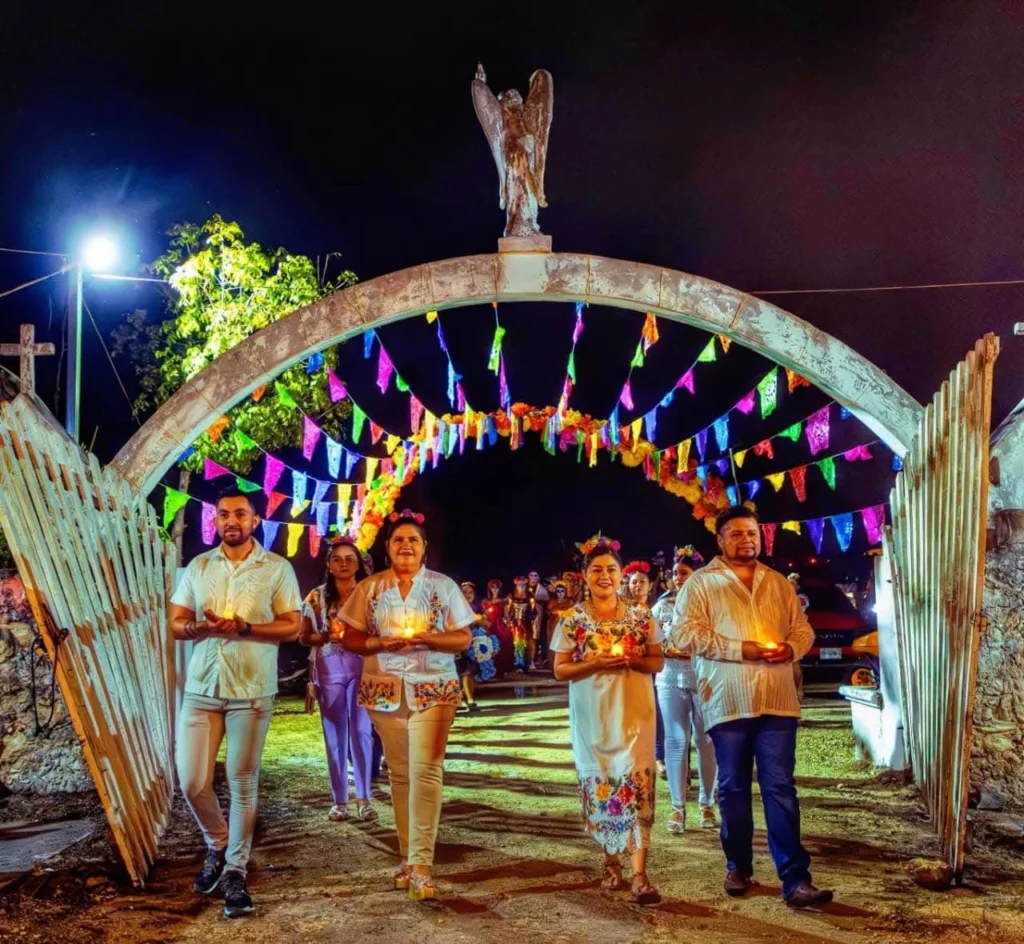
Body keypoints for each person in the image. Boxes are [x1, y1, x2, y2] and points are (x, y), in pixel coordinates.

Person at [673, 506, 832, 909]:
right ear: (721, 541)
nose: (747, 540)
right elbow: (685, 633)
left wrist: (790, 648)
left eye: (752, 533)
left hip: (778, 699)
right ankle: (738, 865)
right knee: (733, 788)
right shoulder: (702, 584)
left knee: (780, 789)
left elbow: (803, 630)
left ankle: (796, 880)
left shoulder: (778, 583)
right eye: (737, 534)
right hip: (728, 700)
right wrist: (738, 649)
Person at [169, 486, 302, 919]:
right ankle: (219, 842)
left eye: (240, 514)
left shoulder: (276, 568)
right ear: (215, 520)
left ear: (255, 520)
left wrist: (246, 628)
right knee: (191, 780)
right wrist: (198, 631)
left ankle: (235, 873)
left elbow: (292, 626)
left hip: (251, 688)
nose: (231, 521)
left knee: (243, 781)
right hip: (202, 687)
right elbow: (176, 622)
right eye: (224, 514)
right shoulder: (199, 566)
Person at [339, 509, 476, 901]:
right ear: (387, 548)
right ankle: (405, 857)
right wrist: (381, 643)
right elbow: (350, 638)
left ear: (424, 548)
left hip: (433, 685)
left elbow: (462, 638)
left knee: (427, 771)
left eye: (413, 540)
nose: (405, 546)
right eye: (399, 540)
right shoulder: (371, 588)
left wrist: (428, 640)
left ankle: (421, 865)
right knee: (400, 775)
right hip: (384, 688)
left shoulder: (442, 586)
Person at [552, 533, 665, 905]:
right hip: (592, 718)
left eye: (612, 569)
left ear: (620, 574)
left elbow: (657, 661)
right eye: (597, 569)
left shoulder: (641, 616)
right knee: (602, 783)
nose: (605, 575)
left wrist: (633, 661)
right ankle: (610, 862)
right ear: (585, 576)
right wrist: (595, 663)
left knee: (637, 782)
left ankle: (640, 874)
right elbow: (560, 670)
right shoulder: (572, 620)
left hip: (635, 714)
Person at [299, 537, 377, 823]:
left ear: (358, 564)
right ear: (328, 565)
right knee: (334, 736)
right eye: (337, 559)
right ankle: (339, 801)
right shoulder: (316, 597)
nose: (343, 564)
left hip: (363, 665)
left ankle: (365, 799)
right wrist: (327, 636)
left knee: (361, 731)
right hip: (329, 666)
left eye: (349, 559)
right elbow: (303, 636)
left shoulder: (370, 593)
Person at [651, 545, 718, 833]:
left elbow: (716, 640)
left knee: (705, 742)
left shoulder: (711, 602)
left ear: (698, 574)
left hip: (703, 679)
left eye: (684, 572)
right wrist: (666, 649)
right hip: (668, 679)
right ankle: (677, 807)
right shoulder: (661, 605)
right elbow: (652, 640)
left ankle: (706, 803)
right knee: (675, 742)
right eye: (675, 573)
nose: (678, 578)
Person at [455, 581, 500, 711]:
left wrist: (480, 620)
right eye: (465, 592)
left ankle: (469, 699)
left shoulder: (478, 607)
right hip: (460, 642)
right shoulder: (456, 607)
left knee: (471, 672)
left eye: (470, 592)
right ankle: (461, 697)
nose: (468, 594)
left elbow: (487, 623)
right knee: (461, 671)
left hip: (474, 643)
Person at [526, 570, 550, 669]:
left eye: (535, 575)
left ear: (538, 577)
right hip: (526, 616)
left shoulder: (542, 590)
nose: (533, 577)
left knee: (539, 638)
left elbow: (546, 601)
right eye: (531, 575)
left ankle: (538, 659)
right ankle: (527, 659)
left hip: (540, 617)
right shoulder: (524, 589)